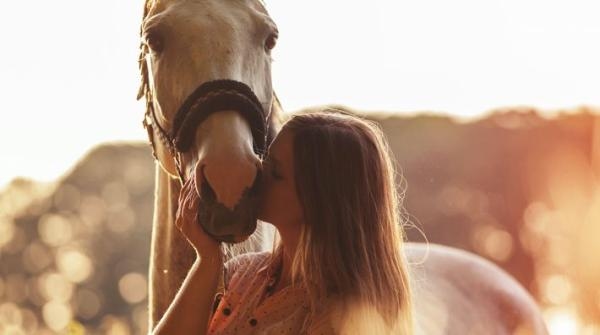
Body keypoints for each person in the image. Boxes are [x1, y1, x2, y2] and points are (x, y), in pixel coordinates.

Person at [152, 109, 414, 334]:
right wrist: (207, 260)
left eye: (276, 173)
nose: (256, 175)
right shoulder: (242, 273)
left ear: (317, 200)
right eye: (264, 160)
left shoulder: (341, 317)